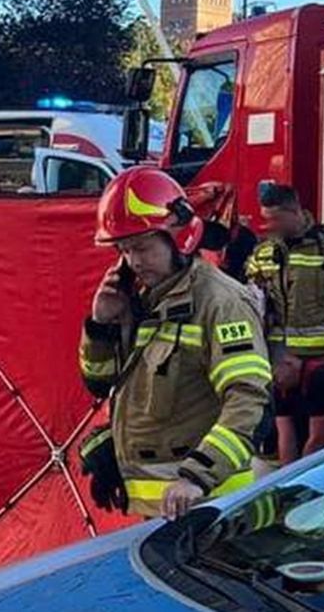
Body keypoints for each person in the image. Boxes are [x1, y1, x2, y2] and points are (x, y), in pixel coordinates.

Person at [78, 167, 272, 520]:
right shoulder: (142, 298)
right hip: (157, 510)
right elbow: (100, 383)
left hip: (210, 506)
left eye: (142, 247)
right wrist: (101, 326)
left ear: (178, 236)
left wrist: (198, 476)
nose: (134, 261)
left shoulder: (219, 302)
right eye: (123, 249)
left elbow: (249, 399)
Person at [245, 184, 324, 465]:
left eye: (274, 218)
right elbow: (253, 303)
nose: (268, 225)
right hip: (280, 361)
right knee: (284, 430)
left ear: (295, 212)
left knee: (321, 434)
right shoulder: (264, 252)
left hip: (322, 359)